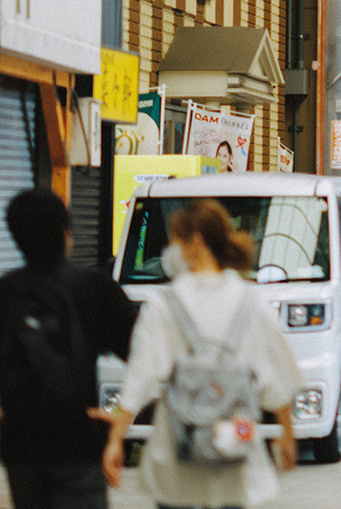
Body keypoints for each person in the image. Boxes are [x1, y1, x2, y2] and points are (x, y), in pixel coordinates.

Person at [0, 189, 139, 509]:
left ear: (17, 238)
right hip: (78, 443)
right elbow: (147, 360)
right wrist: (117, 416)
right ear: (65, 233)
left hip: (21, 445)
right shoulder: (96, 289)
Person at [101, 200, 300, 508]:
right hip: (235, 446)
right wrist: (286, 432)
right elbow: (275, 373)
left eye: (175, 241)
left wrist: (116, 438)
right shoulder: (251, 301)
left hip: (178, 451)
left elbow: (140, 377)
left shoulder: (164, 304)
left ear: (195, 242)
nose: (171, 251)